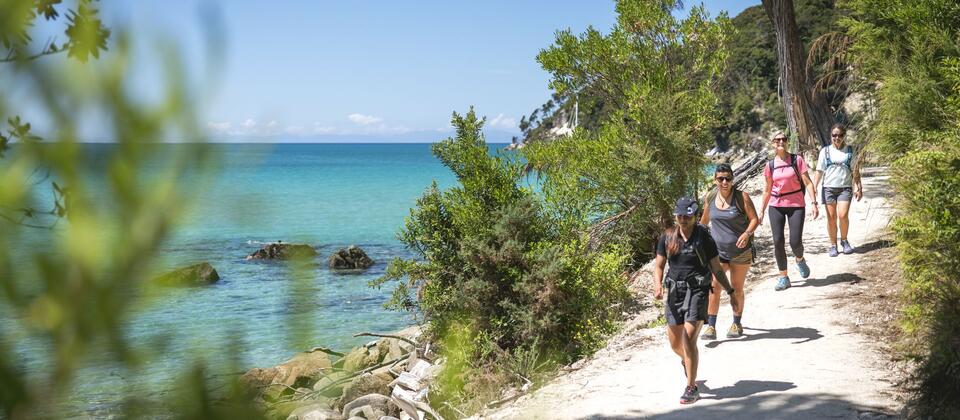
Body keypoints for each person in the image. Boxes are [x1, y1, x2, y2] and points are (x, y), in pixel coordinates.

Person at [653, 197, 739, 405]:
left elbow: (717, 269)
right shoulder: (667, 238)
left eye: (687, 215)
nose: (683, 219)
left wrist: (730, 291)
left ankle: (691, 387)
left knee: (689, 338)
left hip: (698, 291)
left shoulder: (704, 238)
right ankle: (687, 360)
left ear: (695, 216)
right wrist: (657, 285)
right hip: (675, 292)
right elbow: (659, 266)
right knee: (675, 344)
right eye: (680, 215)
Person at [699, 164, 759, 340]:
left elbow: (755, 219)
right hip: (718, 253)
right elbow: (703, 223)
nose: (724, 182)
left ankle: (736, 323)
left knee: (736, 288)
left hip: (741, 253)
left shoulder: (742, 198)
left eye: (728, 178)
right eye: (720, 179)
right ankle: (711, 327)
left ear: (733, 180)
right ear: (715, 180)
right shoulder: (710, 198)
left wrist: (747, 234)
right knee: (714, 287)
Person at [758, 131, 819, 291]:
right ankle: (783, 277)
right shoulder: (770, 165)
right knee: (778, 241)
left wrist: (814, 203)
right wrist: (761, 211)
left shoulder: (796, 160)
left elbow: (808, 183)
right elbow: (767, 189)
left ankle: (799, 259)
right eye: (777, 140)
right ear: (773, 143)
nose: (781, 142)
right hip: (776, 205)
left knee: (795, 241)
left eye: (784, 139)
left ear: (787, 142)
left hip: (796, 204)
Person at [812, 124, 863, 256]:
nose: (837, 138)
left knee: (843, 215)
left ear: (844, 136)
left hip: (845, 188)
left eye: (840, 135)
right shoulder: (825, 151)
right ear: (831, 136)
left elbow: (855, 170)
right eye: (834, 135)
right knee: (831, 218)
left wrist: (859, 186)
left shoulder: (850, 151)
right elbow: (819, 170)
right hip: (828, 188)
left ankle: (844, 241)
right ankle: (833, 245)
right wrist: (814, 186)